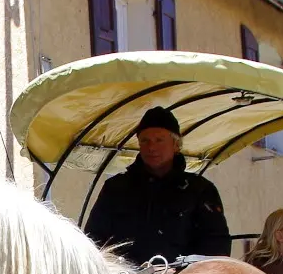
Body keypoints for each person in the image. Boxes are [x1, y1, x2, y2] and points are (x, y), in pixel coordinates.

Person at [83, 106, 230, 262]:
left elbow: (216, 248)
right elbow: (93, 240)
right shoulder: (116, 188)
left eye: (159, 140)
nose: (151, 147)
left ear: (175, 145)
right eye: (145, 141)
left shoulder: (200, 191)